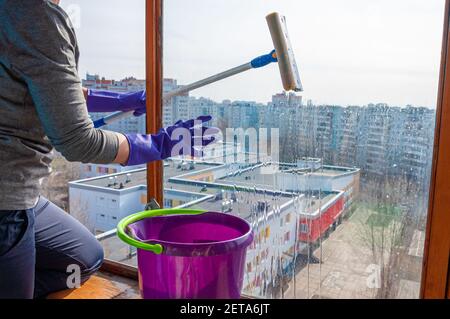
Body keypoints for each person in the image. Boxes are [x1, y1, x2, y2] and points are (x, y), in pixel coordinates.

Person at [0, 0, 217, 299]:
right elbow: (77, 140)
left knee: (85, 256)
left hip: (20, 195)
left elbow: (50, 88)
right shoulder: (38, 16)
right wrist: (159, 144)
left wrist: (118, 101)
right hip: (7, 200)